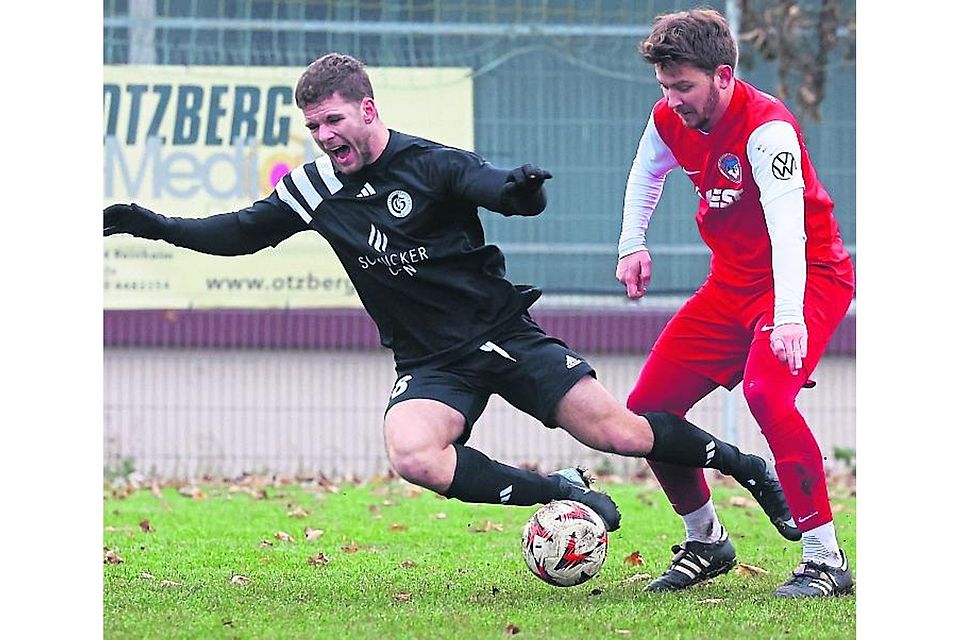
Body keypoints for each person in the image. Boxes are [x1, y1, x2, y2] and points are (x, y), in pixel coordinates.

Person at [104, 52, 794, 544]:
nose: (324, 137)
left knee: (623, 434)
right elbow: (238, 234)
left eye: (333, 120)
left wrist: (523, 192)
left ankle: (745, 466)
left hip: (501, 335)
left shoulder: (431, 164)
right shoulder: (314, 188)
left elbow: (496, 188)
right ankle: (561, 490)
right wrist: (153, 225)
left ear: (368, 109)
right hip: (431, 361)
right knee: (413, 454)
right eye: (313, 127)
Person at [616, 10, 855, 597]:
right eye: (665, 86)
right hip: (731, 284)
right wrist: (631, 244)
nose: (672, 100)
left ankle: (825, 558)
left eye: (684, 86)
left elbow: (789, 230)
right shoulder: (667, 117)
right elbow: (646, 173)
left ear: (723, 76)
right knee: (647, 412)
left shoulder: (768, 131)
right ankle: (706, 540)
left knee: (766, 393)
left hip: (807, 278)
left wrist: (790, 318)